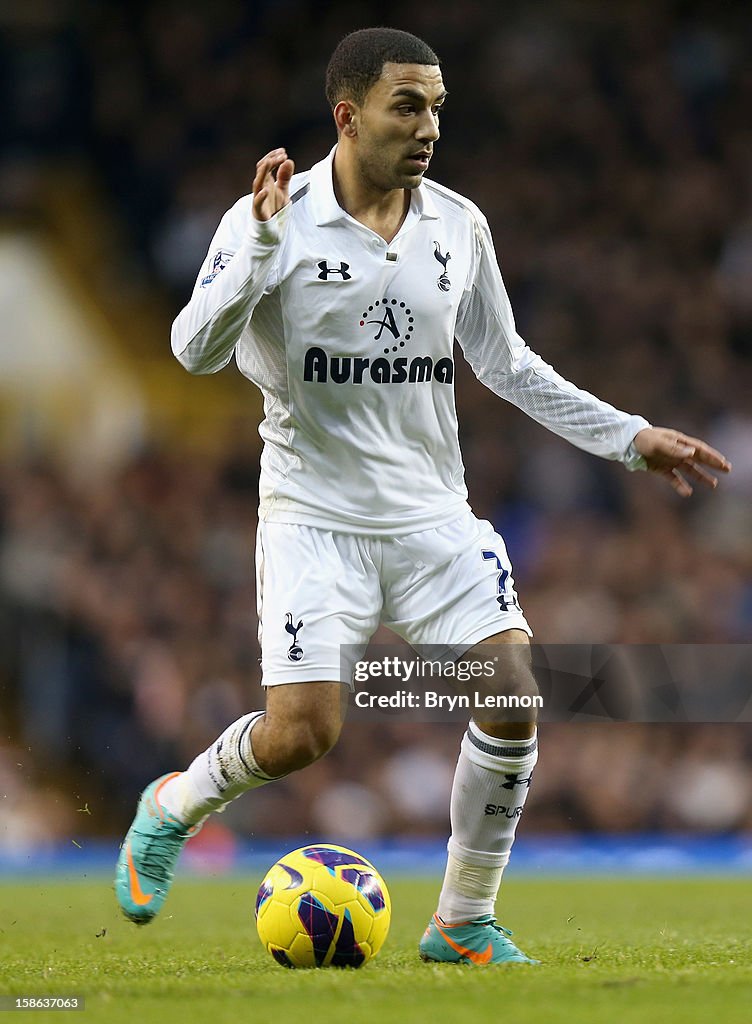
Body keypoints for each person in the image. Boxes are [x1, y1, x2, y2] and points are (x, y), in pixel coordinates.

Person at [115, 27, 730, 964]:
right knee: (300, 737)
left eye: (438, 106)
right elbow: (192, 351)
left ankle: (462, 919)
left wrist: (630, 437)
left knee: (515, 692)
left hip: (433, 517)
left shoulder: (457, 225)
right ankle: (175, 805)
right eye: (409, 105)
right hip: (313, 522)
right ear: (348, 116)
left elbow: (508, 364)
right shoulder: (268, 218)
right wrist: (263, 245)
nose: (430, 124)